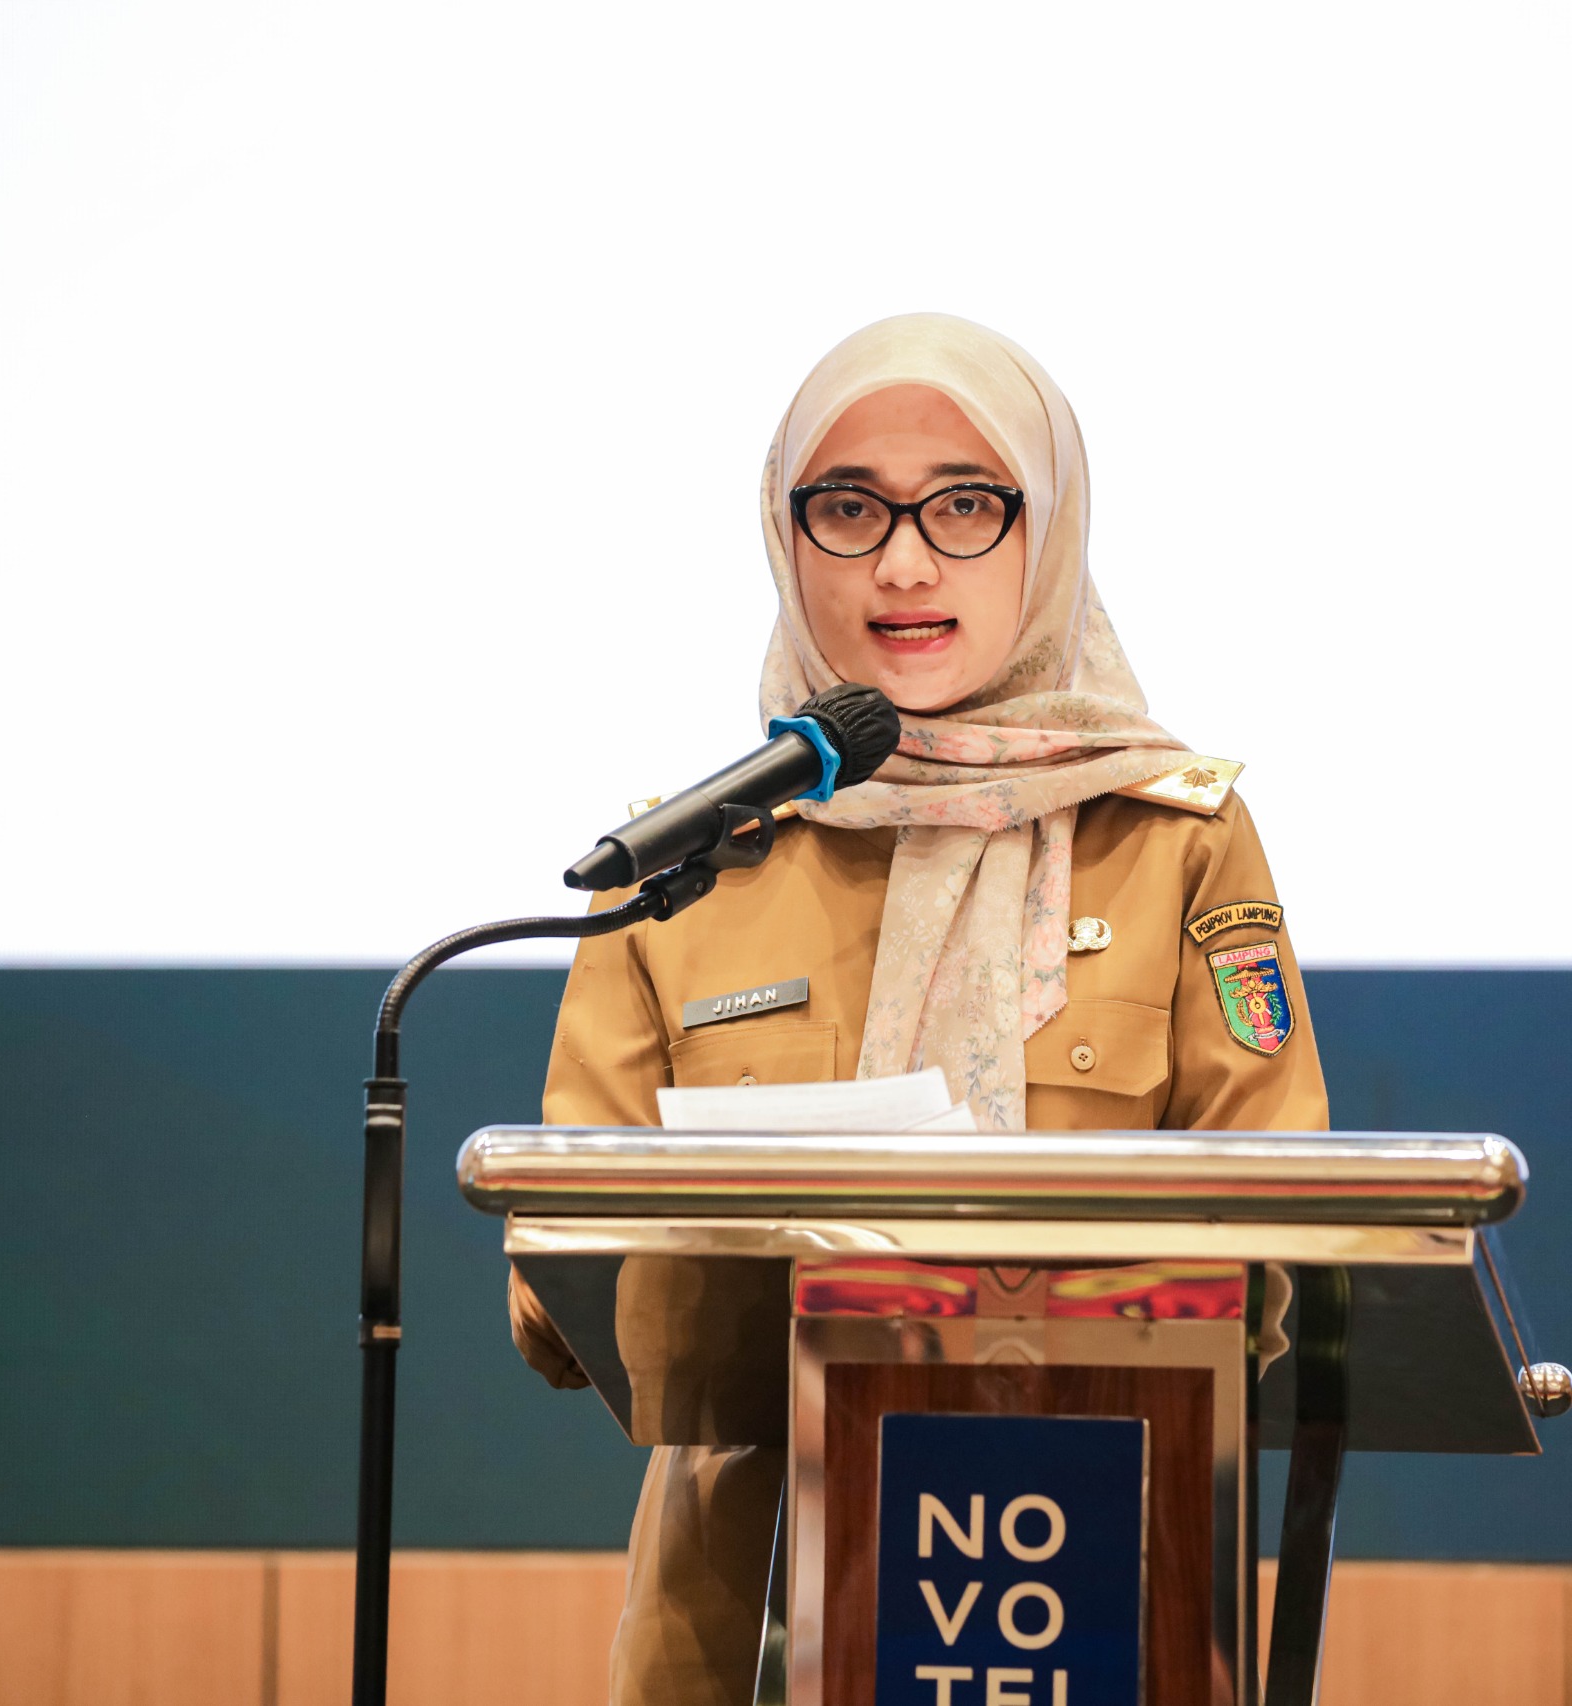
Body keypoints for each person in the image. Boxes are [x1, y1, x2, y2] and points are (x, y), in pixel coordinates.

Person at [508, 313, 1328, 1706]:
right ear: (786, 538)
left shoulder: (1177, 840)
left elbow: (1284, 1226)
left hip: (1096, 1581)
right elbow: (559, 1283)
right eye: (848, 508)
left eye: (963, 505)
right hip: (741, 1625)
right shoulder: (688, 862)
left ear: (1045, 529)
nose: (902, 562)